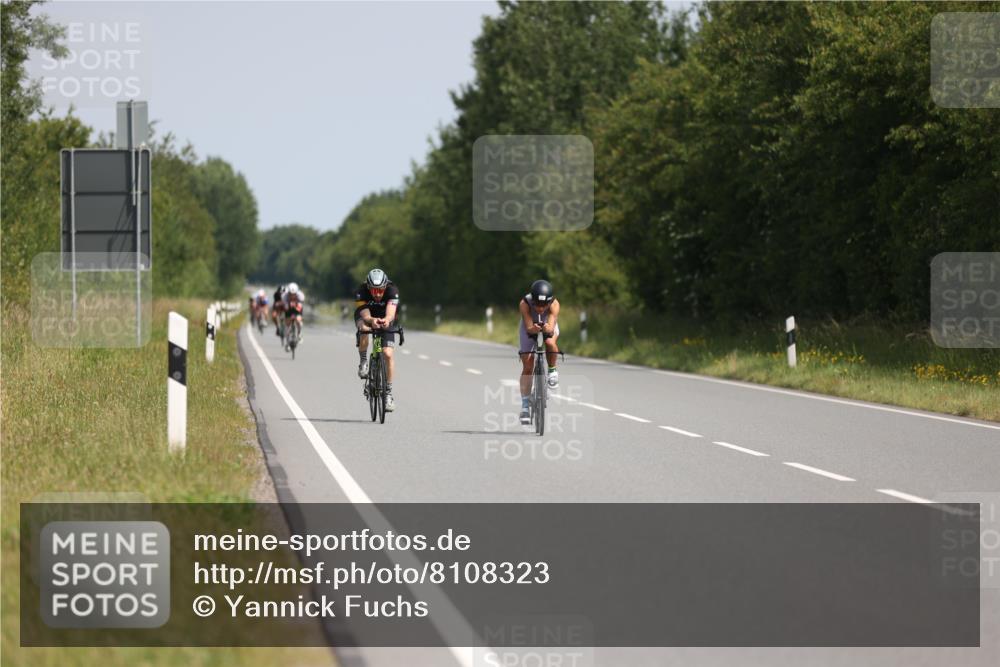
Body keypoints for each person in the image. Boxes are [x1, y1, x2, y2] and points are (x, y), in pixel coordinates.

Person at [354, 268, 400, 411]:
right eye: (374, 290)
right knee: (364, 329)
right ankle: (363, 361)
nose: (378, 294)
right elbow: (366, 316)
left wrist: (386, 320)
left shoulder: (392, 291)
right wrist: (371, 320)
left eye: (380, 290)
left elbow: (391, 313)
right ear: (368, 287)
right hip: (366, 316)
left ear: (385, 286)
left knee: (387, 353)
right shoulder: (361, 291)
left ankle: (388, 394)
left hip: (385, 316)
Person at [518, 279, 560, 424]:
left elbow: (551, 323)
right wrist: (533, 329)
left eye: (544, 305)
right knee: (528, 365)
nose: (541, 308)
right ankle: (524, 407)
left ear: (549, 302)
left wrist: (547, 328)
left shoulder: (554, 304)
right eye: (537, 304)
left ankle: (553, 371)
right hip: (528, 327)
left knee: (549, 342)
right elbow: (528, 326)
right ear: (532, 300)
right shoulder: (524, 303)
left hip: (548, 324)